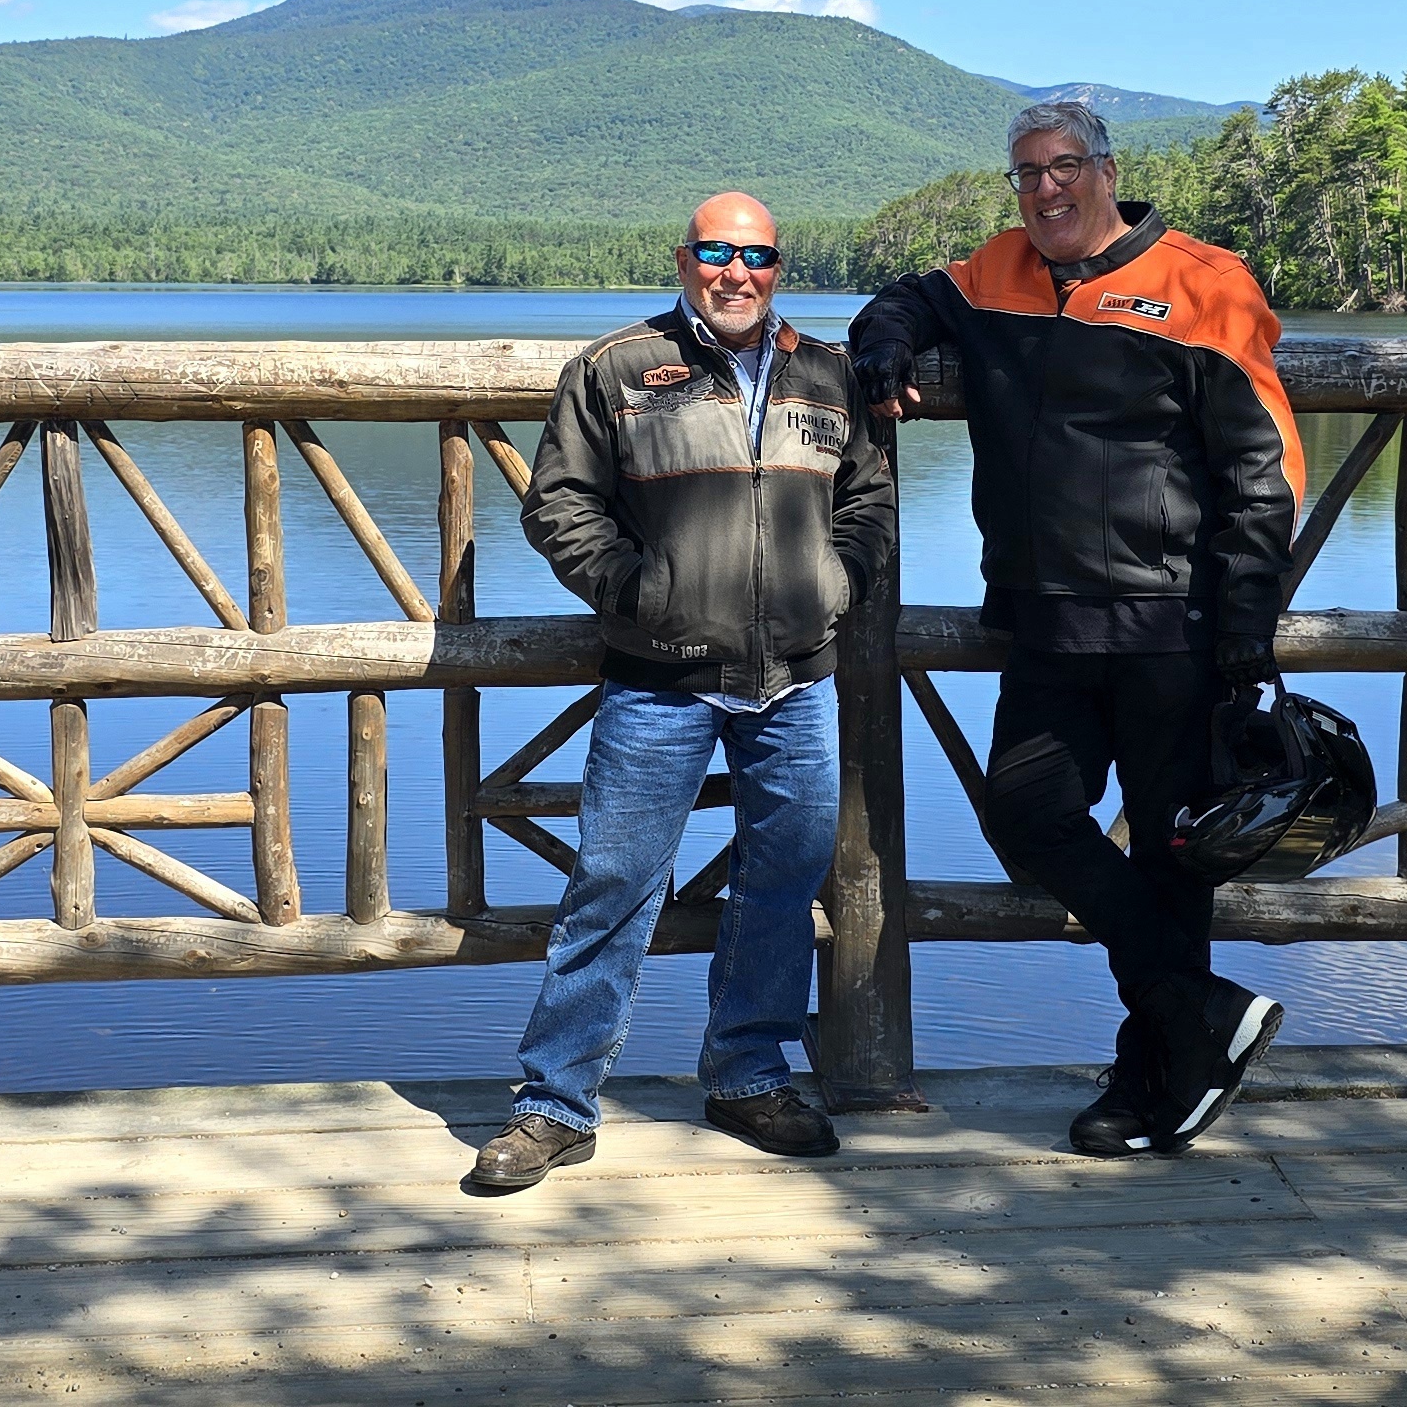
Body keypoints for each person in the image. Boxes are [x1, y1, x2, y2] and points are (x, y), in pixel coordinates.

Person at [850, 98, 1304, 1158]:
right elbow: (905, 300)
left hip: (1171, 624)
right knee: (1027, 813)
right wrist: (883, 349)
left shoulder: (1204, 283)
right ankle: (1196, 1017)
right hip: (1045, 623)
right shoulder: (996, 271)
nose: (1045, 189)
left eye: (1063, 167)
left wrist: (1244, 621)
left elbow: (1263, 466)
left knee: (1172, 858)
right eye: (1025, 172)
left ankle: (1156, 1081)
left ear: (1107, 171)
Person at [468, 190, 896, 1191]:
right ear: (683, 259)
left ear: (778, 266)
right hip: (658, 679)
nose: (735, 272)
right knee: (614, 885)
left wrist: (840, 584)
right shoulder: (616, 369)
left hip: (797, 677)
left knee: (783, 887)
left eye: (756, 256)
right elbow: (559, 502)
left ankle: (747, 1075)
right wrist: (634, 591)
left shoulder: (827, 374)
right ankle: (553, 1105)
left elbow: (869, 498)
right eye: (716, 252)